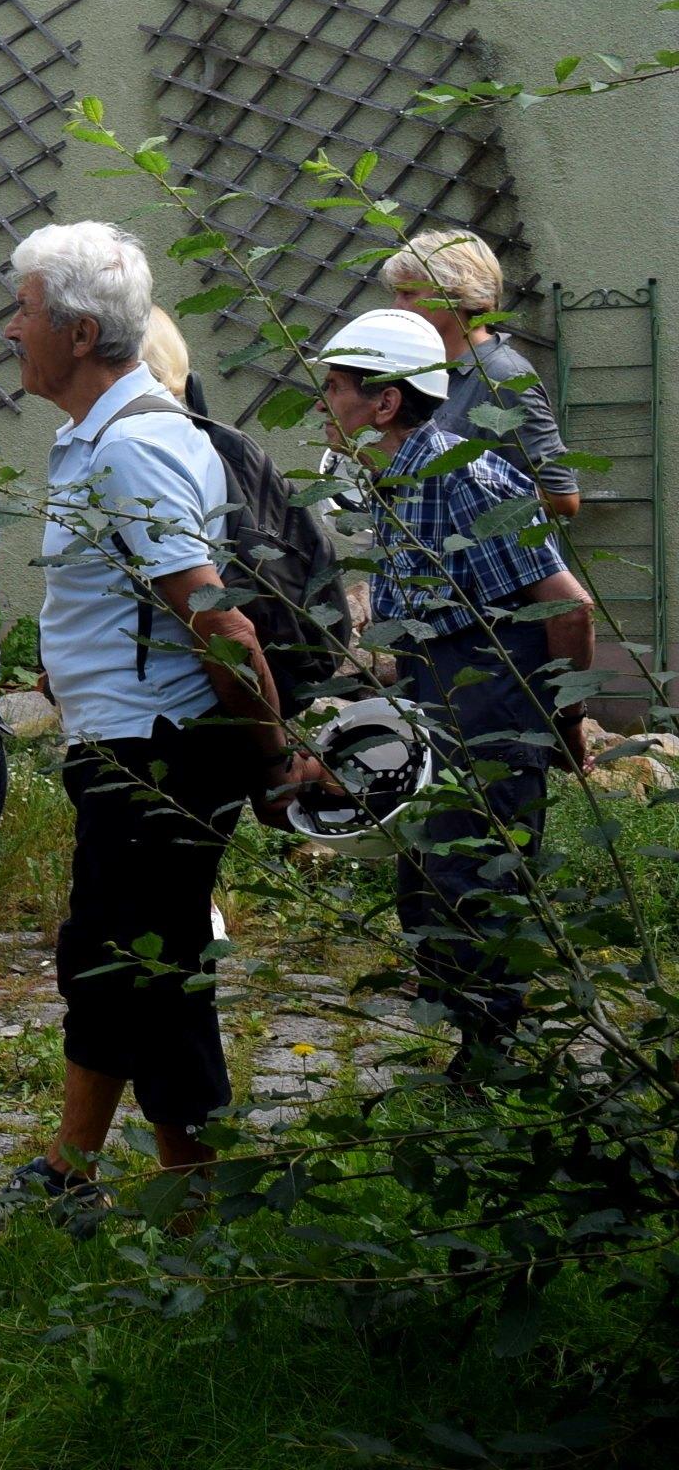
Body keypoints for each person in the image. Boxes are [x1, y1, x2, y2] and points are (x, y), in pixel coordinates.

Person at [0, 221, 289, 1231]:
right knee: (102, 957)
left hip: (161, 755)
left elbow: (218, 623)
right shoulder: (93, 434)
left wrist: (273, 759)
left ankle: (198, 1217)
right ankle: (70, 1166)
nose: (8, 327)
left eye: (21, 310)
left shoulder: (136, 445)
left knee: (158, 973)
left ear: (79, 329)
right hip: (121, 749)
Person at [313, 309, 593, 1078]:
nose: (322, 402)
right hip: (439, 694)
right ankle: (469, 1054)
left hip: (495, 695)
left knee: (482, 885)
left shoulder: (463, 474)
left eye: (335, 387)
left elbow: (568, 605)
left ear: (386, 403)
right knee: (430, 881)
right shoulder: (394, 478)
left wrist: (561, 719)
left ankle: (494, 1068)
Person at [381, 227, 581, 518]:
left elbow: (563, 498)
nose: (396, 306)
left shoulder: (503, 376)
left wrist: (463, 508)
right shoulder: (423, 371)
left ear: (456, 294)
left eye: (408, 294)